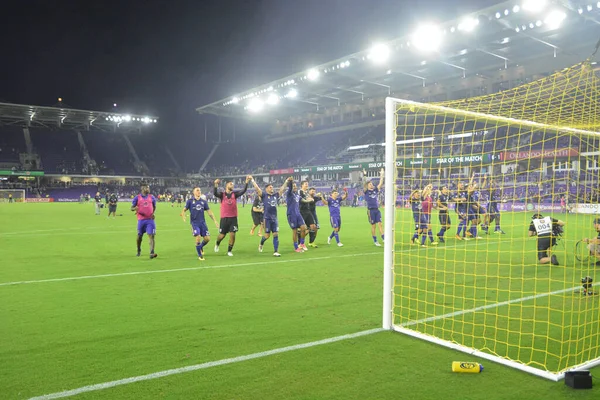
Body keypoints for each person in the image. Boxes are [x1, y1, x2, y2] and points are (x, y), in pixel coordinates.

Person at [213, 175, 251, 256]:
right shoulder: (222, 195)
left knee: (233, 235)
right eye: (230, 184)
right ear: (226, 185)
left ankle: (229, 251)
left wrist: (247, 182)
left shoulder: (235, 194)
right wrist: (215, 185)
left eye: (232, 184)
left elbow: (243, 190)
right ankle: (217, 243)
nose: (232, 185)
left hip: (233, 218)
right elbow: (215, 193)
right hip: (224, 218)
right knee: (222, 235)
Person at [250, 179, 287, 257]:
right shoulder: (264, 196)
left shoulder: (275, 196)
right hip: (267, 219)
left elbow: (281, 190)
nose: (272, 188)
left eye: (272, 187)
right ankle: (261, 243)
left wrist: (286, 181)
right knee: (267, 235)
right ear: (266, 189)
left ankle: (276, 251)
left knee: (275, 234)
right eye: (270, 187)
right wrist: (252, 180)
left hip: (274, 219)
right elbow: (257, 189)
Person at [181, 187, 218, 261]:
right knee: (198, 237)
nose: (199, 192)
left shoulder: (203, 202)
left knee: (207, 239)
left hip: (202, 223)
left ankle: (200, 246)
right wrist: (183, 215)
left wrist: (215, 221)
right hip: (194, 223)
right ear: (193, 192)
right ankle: (200, 255)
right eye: (197, 190)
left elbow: (209, 212)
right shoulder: (190, 201)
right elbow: (184, 210)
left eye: (200, 190)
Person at [131, 184, 158, 259]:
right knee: (139, 236)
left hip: (150, 220)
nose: (148, 189)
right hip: (141, 220)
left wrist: (152, 213)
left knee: (151, 235)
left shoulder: (151, 197)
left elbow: (154, 206)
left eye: (148, 188)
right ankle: (139, 249)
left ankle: (152, 253)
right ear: (142, 188)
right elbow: (131, 208)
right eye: (147, 188)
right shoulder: (137, 198)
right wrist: (135, 208)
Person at [284, 176, 308, 252]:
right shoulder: (289, 194)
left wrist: (309, 200)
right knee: (294, 231)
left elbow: (303, 200)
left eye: (295, 186)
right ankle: (296, 248)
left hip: (298, 214)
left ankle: (301, 243)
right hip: (291, 215)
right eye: (293, 186)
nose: (295, 187)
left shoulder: (297, 195)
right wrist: (290, 182)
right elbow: (290, 188)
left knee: (303, 228)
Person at [363, 168, 385, 246]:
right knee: (374, 226)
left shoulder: (375, 190)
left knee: (380, 224)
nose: (371, 184)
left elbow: (380, 183)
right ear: (367, 186)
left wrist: (382, 175)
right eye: (370, 184)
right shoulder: (366, 191)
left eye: (372, 184)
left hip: (377, 210)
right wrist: (365, 175)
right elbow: (365, 183)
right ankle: (375, 240)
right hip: (370, 211)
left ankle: (383, 238)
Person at [299, 181, 318, 247]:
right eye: (305, 184)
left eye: (307, 184)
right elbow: (303, 199)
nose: (307, 185)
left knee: (313, 227)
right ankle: (300, 243)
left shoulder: (306, 192)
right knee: (302, 228)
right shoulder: (300, 192)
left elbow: (309, 198)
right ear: (302, 185)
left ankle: (311, 242)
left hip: (308, 211)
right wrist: (309, 199)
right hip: (302, 211)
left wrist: (310, 199)